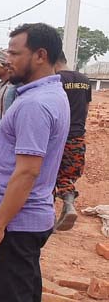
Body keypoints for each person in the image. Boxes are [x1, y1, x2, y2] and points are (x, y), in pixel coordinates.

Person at [0, 23, 69, 302]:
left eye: (16, 53)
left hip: (15, 226)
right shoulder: (48, 94)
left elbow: (27, 171)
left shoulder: (34, 105)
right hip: (27, 221)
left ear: (40, 55)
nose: (8, 59)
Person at [54, 51, 92, 231]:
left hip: (57, 135)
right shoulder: (84, 80)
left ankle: (46, 217)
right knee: (67, 175)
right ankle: (68, 204)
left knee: (48, 174)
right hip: (77, 135)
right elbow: (85, 108)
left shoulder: (56, 80)